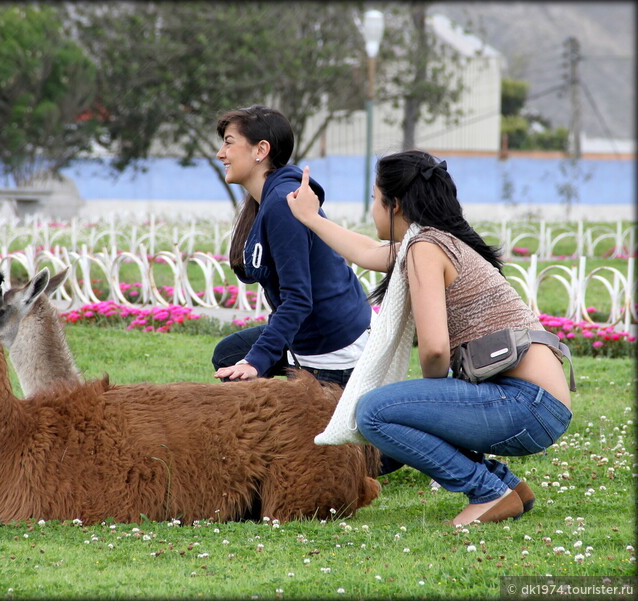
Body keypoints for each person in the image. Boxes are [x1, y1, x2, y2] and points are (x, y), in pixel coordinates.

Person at [286, 150, 573, 527]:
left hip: (525, 404)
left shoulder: (425, 248)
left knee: (373, 412)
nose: (373, 208)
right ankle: (505, 486)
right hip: (539, 403)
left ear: (396, 204)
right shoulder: (433, 241)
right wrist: (311, 217)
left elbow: (435, 349)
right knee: (403, 407)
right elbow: (368, 251)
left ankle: (487, 492)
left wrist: (431, 404)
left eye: (375, 199)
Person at [210, 105, 371, 387]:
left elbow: (298, 299)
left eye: (228, 142)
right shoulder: (266, 200)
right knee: (228, 355)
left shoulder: (282, 205)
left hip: (332, 348)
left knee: (241, 366)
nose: (220, 153)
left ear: (261, 150)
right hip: (310, 331)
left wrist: (255, 362)